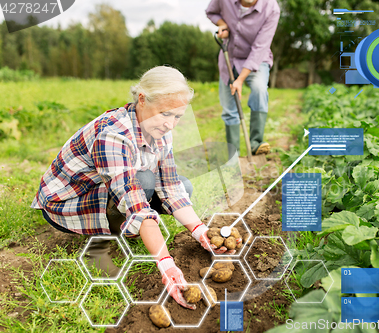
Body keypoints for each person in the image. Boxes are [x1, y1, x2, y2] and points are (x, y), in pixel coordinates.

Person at [31, 66, 239, 310]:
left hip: (113, 190)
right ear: (142, 99)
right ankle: (106, 236)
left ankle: (130, 226)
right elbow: (136, 201)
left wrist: (200, 231)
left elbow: (171, 187)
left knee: (184, 186)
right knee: (144, 182)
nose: (171, 124)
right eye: (165, 114)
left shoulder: (160, 128)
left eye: (177, 117)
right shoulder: (113, 134)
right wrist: (166, 264)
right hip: (67, 203)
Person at [206, 0, 280, 157]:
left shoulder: (271, 8)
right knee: (229, 107)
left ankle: (255, 143)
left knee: (260, 89)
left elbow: (260, 48)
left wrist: (240, 80)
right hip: (230, 56)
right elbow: (211, 11)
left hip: (257, 59)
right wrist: (222, 24)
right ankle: (234, 153)